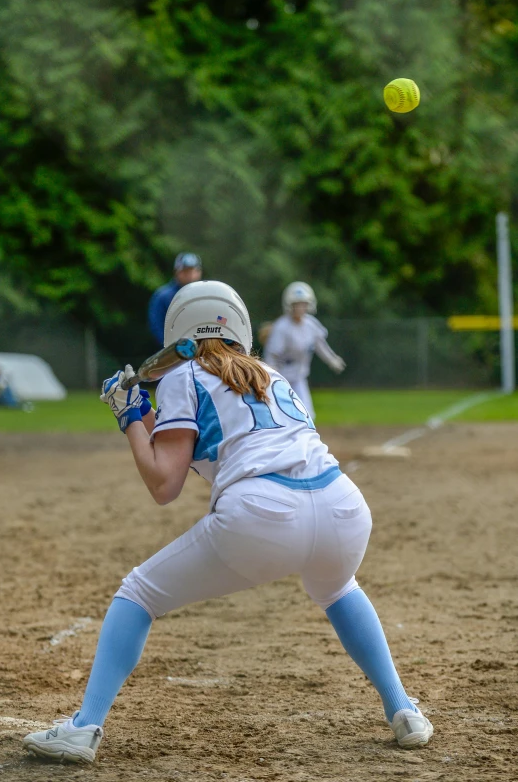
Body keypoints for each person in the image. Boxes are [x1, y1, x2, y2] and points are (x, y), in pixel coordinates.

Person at [23, 280, 433, 764]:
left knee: (138, 593)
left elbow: (164, 484)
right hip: (343, 507)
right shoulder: (268, 373)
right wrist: (141, 415)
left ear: (179, 331)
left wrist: (131, 417)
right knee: (339, 588)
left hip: (262, 515)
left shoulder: (183, 376)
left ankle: (83, 725)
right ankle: (404, 709)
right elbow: (209, 439)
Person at [264, 282, 346, 420]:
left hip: (299, 376)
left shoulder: (311, 324)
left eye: (303, 303)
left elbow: (320, 345)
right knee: (280, 415)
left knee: (307, 414)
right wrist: (269, 377)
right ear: (290, 305)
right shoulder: (281, 327)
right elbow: (272, 356)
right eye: (297, 304)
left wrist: (332, 360)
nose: (300, 308)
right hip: (281, 377)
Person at [148, 252, 202, 347]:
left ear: (199, 272)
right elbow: (156, 326)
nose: (189, 275)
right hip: (172, 352)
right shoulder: (163, 296)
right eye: (185, 271)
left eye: (192, 271)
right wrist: (170, 348)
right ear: (177, 272)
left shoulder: (205, 295)